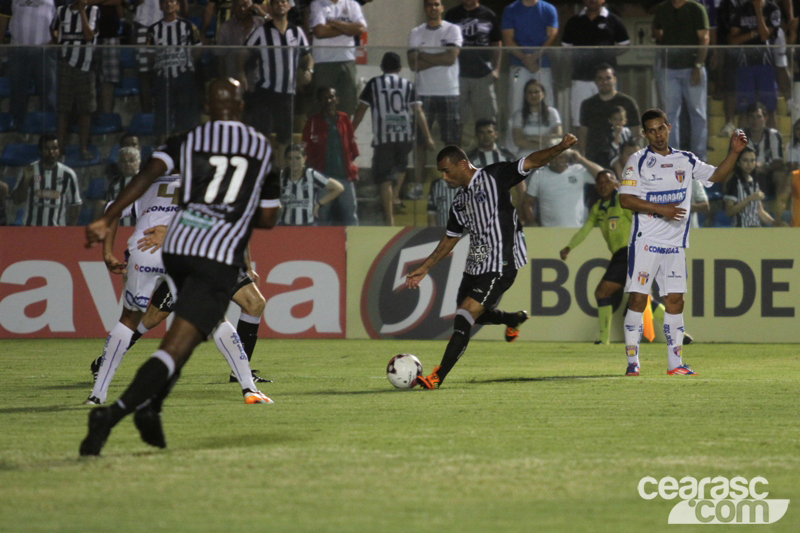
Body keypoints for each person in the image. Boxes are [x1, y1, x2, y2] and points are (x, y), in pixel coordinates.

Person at [79, 78, 279, 456]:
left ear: (207, 105)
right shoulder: (257, 149)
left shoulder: (187, 143)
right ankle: (247, 388)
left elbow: (144, 176)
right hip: (201, 251)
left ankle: (109, 406)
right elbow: (264, 217)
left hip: (159, 249)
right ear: (240, 106)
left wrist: (112, 219)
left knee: (154, 330)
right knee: (211, 323)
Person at [406, 134, 578, 389]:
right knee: (474, 314)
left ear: (462, 164)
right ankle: (512, 319)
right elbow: (450, 238)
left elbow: (531, 161)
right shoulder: (460, 202)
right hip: (476, 262)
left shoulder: (494, 176)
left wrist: (560, 147)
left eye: (446, 171)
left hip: (501, 262)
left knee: (465, 314)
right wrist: (425, 268)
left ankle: (437, 376)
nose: (444, 177)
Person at [84, 173, 270, 405]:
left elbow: (109, 212)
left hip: (144, 251)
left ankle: (97, 395)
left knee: (128, 320)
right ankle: (248, 388)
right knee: (212, 318)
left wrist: (107, 253)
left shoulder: (144, 184)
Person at [618, 108, 748, 376]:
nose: (657, 135)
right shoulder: (638, 160)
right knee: (638, 300)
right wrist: (661, 209)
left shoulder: (685, 159)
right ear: (644, 134)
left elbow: (717, 176)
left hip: (675, 244)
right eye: (651, 131)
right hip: (646, 240)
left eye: (661, 128)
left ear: (668, 127)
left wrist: (733, 153)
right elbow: (625, 199)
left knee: (675, 300)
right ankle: (633, 361)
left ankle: (675, 364)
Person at [560, 170, 696, 345]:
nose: (603, 185)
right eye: (599, 182)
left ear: (616, 184)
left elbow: (641, 221)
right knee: (642, 297)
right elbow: (584, 230)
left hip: (631, 251)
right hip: (624, 254)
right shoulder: (598, 208)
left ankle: (603, 340)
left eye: (607, 182)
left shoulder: (622, 202)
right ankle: (680, 334)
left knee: (603, 292)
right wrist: (569, 247)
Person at [352, 51, 435, 226]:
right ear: (399, 68)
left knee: (384, 177)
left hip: (384, 137)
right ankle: (395, 195)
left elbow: (361, 110)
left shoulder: (374, 84)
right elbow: (418, 111)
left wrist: (351, 131)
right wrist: (427, 137)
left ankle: (389, 217)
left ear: (382, 67)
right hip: (404, 135)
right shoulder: (408, 85)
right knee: (402, 166)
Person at [242, 0, 312, 170]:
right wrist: (241, 74)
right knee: (262, 135)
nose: (280, 5)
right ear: (271, 8)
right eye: (276, 3)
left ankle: (281, 176)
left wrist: (309, 70)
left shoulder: (297, 32)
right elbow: (243, 52)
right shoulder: (261, 31)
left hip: (287, 93)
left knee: (285, 138)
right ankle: (262, 172)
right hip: (265, 91)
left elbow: (307, 55)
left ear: (289, 6)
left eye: (283, 2)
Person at [407, 0, 463, 200]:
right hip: (423, 93)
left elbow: (451, 59)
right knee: (420, 142)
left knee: (451, 142)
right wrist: (439, 57)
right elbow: (413, 64)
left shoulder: (452, 30)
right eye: (429, 5)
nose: (433, 8)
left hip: (449, 91)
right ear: (425, 8)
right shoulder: (416, 32)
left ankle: (454, 183)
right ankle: (418, 185)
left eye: (436, 4)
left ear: (442, 8)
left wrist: (424, 56)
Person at [652, 0, 710, 160]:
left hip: (692, 68)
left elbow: (704, 38)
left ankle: (699, 157)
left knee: (697, 113)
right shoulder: (663, 8)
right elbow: (655, 30)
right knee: (669, 115)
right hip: (668, 68)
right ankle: (672, 156)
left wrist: (698, 65)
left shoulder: (696, 9)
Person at [560, 0, 630, 131]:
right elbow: (566, 47)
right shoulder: (574, 21)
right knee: (580, 121)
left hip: (606, 80)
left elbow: (625, 45)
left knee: (611, 120)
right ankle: (582, 152)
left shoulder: (613, 20)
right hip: (581, 77)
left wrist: (606, 55)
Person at [301, 86, 359, 225]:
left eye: (331, 97)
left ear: (337, 99)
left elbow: (353, 147)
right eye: (324, 98)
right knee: (321, 215)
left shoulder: (345, 119)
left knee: (351, 215)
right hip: (323, 179)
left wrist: (350, 168)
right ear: (320, 101)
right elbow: (304, 152)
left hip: (344, 177)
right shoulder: (312, 122)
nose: (329, 100)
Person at [51, 0, 99, 161]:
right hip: (65, 64)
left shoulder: (93, 10)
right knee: (63, 109)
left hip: (85, 65)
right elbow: (53, 29)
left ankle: (83, 148)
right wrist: (59, 44)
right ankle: (59, 150)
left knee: (85, 110)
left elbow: (89, 35)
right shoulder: (61, 11)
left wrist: (82, 11)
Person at [444, 0, 502, 132]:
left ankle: (485, 152)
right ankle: (456, 152)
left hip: (483, 75)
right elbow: (445, 43)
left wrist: (496, 69)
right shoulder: (452, 15)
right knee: (456, 121)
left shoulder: (488, 15)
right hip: (457, 76)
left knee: (487, 121)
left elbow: (496, 43)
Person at [0, 0, 57, 129]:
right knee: (17, 90)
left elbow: (63, 18)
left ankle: (48, 128)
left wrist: (53, 42)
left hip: (45, 51)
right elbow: (3, 15)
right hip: (18, 50)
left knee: (48, 91)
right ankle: (16, 124)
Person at [148, 0, 201, 138]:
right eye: (164, 2)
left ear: (177, 5)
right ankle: (162, 150)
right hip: (163, 78)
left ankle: (182, 150)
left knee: (184, 117)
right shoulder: (153, 29)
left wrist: (186, 65)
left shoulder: (189, 26)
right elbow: (150, 54)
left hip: (184, 78)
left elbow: (197, 49)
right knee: (162, 117)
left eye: (172, 1)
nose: (168, 4)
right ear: (160, 6)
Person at [307, 0, 367, 117]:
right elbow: (320, 31)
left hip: (347, 60)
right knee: (321, 105)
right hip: (324, 61)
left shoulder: (352, 4)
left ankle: (342, 133)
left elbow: (360, 29)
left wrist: (333, 23)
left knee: (346, 105)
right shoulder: (318, 4)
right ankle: (321, 134)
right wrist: (348, 28)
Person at [501, 0, 558, 120]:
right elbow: (507, 40)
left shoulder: (549, 9)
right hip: (518, 67)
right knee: (515, 103)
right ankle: (514, 138)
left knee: (547, 104)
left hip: (542, 66)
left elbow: (551, 38)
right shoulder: (510, 9)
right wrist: (524, 58)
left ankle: (548, 138)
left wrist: (535, 57)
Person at [578, 64, 641, 169]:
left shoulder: (628, 102)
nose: (604, 82)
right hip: (594, 159)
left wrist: (628, 156)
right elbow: (583, 134)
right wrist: (585, 159)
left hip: (621, 160)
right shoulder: (587, 104)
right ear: (595, 81)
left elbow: (636, 132)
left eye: (608, 78)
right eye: (600, 79)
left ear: (615, 79)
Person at [11, 134, 82, 226]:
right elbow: (16, 200)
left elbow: (75, 205)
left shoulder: (68, 174)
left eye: (55, 148)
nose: (51, 152)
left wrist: (71, 230)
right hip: (31, 229)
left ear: (59, 151)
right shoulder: (29, 170)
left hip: (57, 231)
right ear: (40, 150)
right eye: (46, 148)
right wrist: (26, 180)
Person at [523, 147, 601, 227]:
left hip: (576, 230)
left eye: (560, 157)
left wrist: (581, 160)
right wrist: (531, 220)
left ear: (567, 158)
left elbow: (603, 175)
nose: (557, 161)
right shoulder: (539, 175)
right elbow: (528, 203)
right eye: (553, 157)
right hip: (549, 232)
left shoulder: (578, 170)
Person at [742, 102, 789, 221]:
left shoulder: (773, 135)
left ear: (765, 118)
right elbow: (732, 162)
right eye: (752, 117)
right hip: (747, 174)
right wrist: (752, 167)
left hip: (768, 176)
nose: (755, 120)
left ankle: (778, 216)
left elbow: (778, 162)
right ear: (747, 119)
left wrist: (765, 166)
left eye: (758, 117)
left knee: (780, 175)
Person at [279, 143, 344, 225]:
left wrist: (319, 204)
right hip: (285, 226)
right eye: (290, 158)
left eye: (297, 158)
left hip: (308, 225)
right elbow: (264, 190)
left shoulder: (311, 175)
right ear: (286, 160)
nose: (293, 161)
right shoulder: (281, 176)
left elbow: (338, 188)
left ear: (304, 159)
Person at [723, 146, 775, 226]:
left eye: (752, 160)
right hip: (740, 231)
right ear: (738, 162)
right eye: (745, 160)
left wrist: (775, 223)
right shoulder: (733, 182)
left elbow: (760, 211)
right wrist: (749, 199)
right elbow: (729, 212)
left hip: (756, 230)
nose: (749, 164)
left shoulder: (755, 181)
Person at [510, 79, 562, 157]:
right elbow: (518, 141)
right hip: (525, 157)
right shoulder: (518, 114)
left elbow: (558, 135)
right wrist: (544, 144)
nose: (533, 95)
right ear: (525, 95)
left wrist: (532, 138)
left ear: (543, 94)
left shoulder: (552, 112)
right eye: (530, 92)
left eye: (536, 92)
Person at [606, 105, 633, 170]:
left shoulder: (627, 131)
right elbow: (613, 150)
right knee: (616, 162)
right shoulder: (609, 134)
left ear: (625, 121)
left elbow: (631, 145)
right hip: (614, 159)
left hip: (626, 157)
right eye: (615, 119)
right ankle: (621, 178)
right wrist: (617, 134)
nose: (618, 122)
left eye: (620, 119)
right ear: (610, 120)